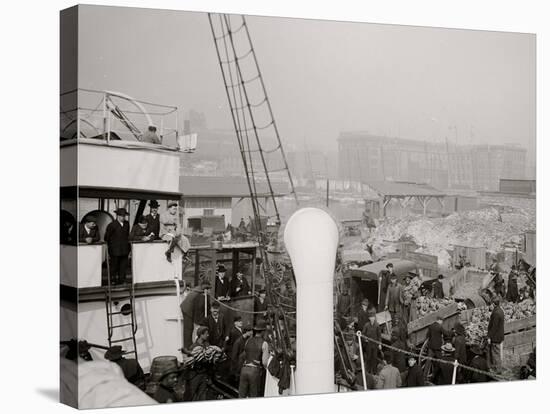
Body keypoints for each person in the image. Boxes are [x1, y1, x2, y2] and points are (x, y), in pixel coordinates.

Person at [238, 320, 270, 398]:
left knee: (241, 396)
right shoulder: (264, 343)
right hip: (254, 371)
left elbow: (243, 355)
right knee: (254, 396)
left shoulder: (248, 340)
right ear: (263, 332)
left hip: (244, 370)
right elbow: (265, 362)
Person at [104, 208, 131, 285]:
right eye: (121, 216)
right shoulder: (111, 225)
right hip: (114, 250)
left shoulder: (127, 224)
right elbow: (106, 238)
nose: (123, 217)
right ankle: (112, 280)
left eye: (124, 216)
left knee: (123, 266)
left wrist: (129, 249)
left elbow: (127, 235)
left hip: (125, 249)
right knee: (114, 266)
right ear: (117, 216)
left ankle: (122, 280)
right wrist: (111, 246)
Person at [188, 326, 211, 401]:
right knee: (192, 395)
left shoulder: (207, 344)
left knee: (202, 395)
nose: (208, 335)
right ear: (201, 334)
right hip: (195, 375)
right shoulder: (193, 347)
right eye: (206, 334)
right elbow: (190, 362)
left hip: (204, 374)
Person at [487, 296, 505, 373]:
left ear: (493, 304)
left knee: (495, 354)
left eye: (490, 304)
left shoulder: (496, 313)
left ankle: (497, 370)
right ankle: (497, 368)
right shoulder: (500, 310)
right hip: (499, 335)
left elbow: (494, 327)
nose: (489, 306)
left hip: (496, 337)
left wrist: (489, 337)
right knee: (496, 353)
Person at [362, 307, 382, 374]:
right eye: (371, 318)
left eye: (373, 317)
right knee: (368, 358)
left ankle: (374, 371)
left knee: (375, 358)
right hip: (368, 345)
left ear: (374, 318)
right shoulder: (366, 325)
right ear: (369, 318)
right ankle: (367, 371)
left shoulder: (377, 325)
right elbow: (362, 334)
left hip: (375, 345)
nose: (372, 319)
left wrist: (379, 344)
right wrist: (365, 339)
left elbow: (379, 336)